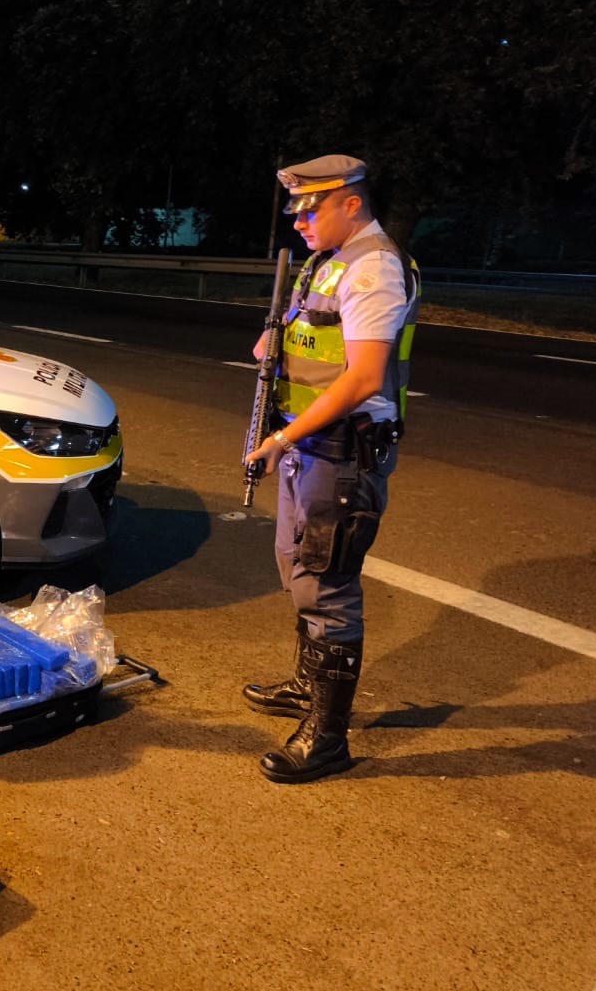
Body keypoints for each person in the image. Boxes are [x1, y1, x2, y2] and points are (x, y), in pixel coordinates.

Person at [241, 154, 419, 784]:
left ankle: (328, 739)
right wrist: (274, 343)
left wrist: (282, 435)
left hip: (344, 453)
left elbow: (366, 376)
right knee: (298, 570)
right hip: (309, 449)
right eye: (296, 209)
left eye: (310, 207)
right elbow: (303, 340)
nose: (299, 221)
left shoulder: (374, 268)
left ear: (351, 202)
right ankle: (306, 684)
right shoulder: (326, 262)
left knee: (328, 586)